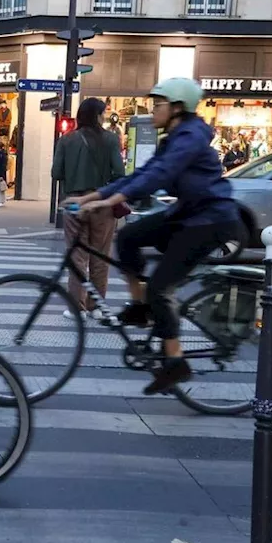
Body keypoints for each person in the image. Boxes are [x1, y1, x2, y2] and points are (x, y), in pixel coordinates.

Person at [67, 78, 240, 395]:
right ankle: (140, 306)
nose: (151, 110)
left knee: (160, 285)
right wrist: (97, 195)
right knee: (129, 237)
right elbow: (142, 174)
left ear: (177, 108)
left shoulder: (189, 137)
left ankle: (175, 363)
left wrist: (112, 200)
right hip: (189, 214)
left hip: (210, 220)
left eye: (157, 105)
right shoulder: (173, 136)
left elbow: (161, 175)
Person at [52, 97, 125, 319]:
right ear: (96, 115)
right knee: (100, 257)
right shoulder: (111, 140)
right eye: (102, 113)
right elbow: (120, 173)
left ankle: (77, 307)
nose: (104, 117)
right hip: (101, 202)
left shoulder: (66, 140)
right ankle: (96, 306)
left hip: (75, 203)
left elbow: (56, 173)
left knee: (77, 257)